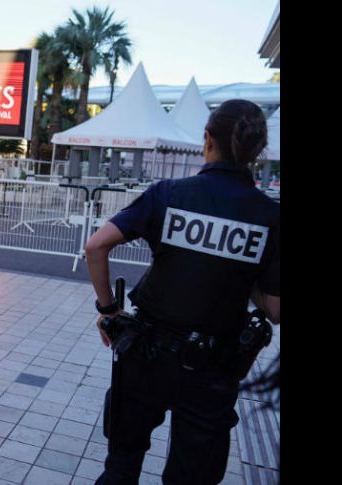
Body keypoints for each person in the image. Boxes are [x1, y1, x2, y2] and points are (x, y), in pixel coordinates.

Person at [84, 99, 280, 484]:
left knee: (122, 464)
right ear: (258, 151)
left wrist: (108, 310)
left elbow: (95, 246)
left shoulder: (169, 193)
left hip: (146, 355)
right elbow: (274, 309)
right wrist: (243, 273)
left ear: (207, 139)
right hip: (213, 368)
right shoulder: (269, 216)